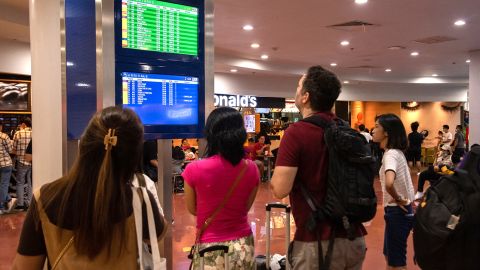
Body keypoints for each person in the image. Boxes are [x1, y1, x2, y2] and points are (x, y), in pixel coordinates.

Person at [13, 107, 166, 269]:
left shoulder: (44, 198)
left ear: (84, 144)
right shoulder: (140, 199)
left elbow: (24, 266)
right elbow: (158, 234)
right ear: (133, 156)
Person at [270, 66, 367, 270]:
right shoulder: (346, 129)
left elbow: (280, 189)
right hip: (354, 237)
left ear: (305, 96)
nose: (295, 91)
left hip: (317, 243)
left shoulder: (296, 133)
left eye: (298, 87)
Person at [183, 107, 259, 269]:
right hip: (243, 247)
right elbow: (245, 207)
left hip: (210, 250)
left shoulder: (193, 169)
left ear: (211, 133)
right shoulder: (251, 168)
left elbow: (193, 209)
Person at [372, 114, 415, 270]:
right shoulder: (395, 153)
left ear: (387, 132)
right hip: (398, 212)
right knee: (390, 257)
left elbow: (389, 182)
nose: (373, 130)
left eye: (377, 126)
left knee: (396, 263)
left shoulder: (390, 155)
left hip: (398, 212)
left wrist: (397, 198)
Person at [12, 117, 32, 211]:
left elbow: (13, 149)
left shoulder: (18, 133)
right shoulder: (34, 132)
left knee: (20, 182)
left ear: (23, 124)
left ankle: (20, 204)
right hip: (31, 161)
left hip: (21, 160)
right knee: (30, 181)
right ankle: (30, 202)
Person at [0, 120, 15, 215]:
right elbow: (10, 150)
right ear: (0, 126)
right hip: (5, 164)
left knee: (2, 185)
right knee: (4, 185)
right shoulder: (4, 136)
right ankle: (2, 205)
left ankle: (9, 199)